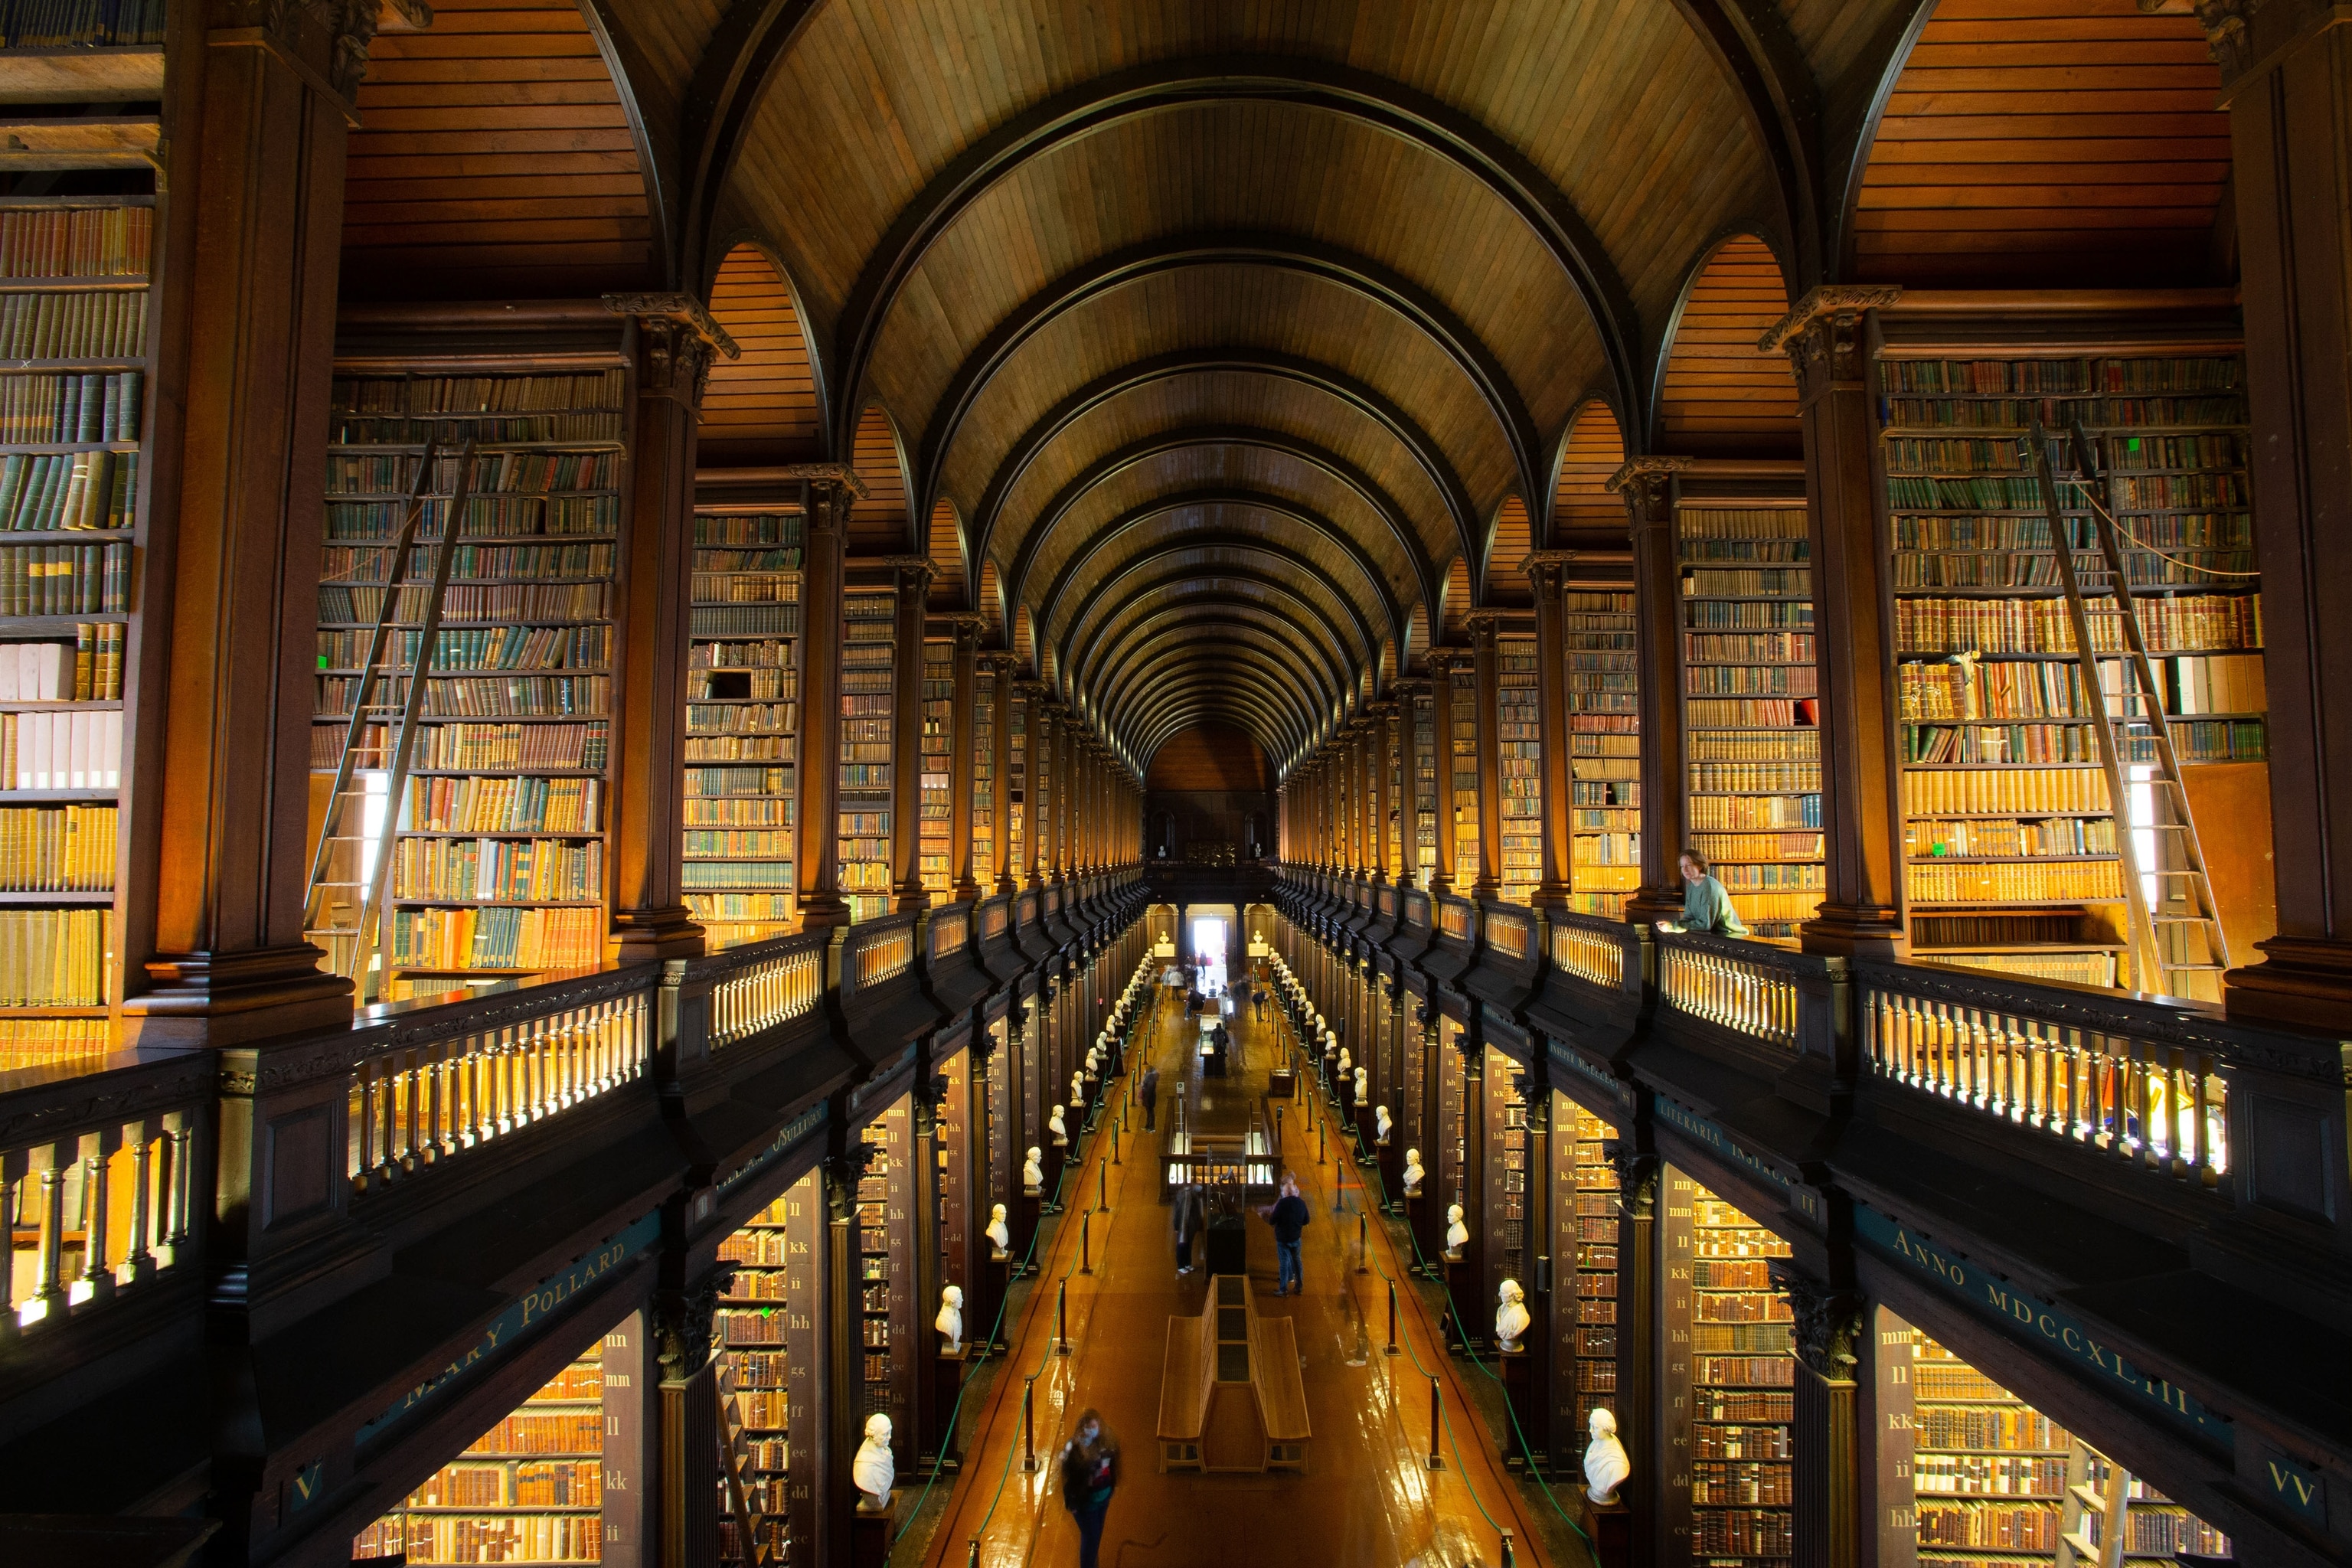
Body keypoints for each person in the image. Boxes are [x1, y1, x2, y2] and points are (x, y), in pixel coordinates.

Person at [1058, 1408, 1119, 1568]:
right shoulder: (1074, 1448)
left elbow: (1113, 1465)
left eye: (1094, 1426)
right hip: (1085, 1503)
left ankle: (1093, 1563)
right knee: (1090, 1537)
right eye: (1087, 1427)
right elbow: (1067, 1476)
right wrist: (1072, 1503)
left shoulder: (1107, 1443)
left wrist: (1112, 1486)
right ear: (1081, 1429)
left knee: (1096, 1536)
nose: (1091, 1430)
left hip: (1103, 1498)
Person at [1655, 848, 1749, 939]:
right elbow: (1689, 917)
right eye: (1682, 866)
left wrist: (1673, 927)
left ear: (1699, 865)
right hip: (1712, 935)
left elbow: (1705, 924)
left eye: (1689, 865)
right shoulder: (1691, 886)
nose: (1685, 870)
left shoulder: (1709, 886)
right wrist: (1671, 925)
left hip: (1729, 936)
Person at [1257, 1171, 1311, 1295]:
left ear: (1286, 1193)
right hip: (1296, 1238)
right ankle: (1299, 1287)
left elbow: (1272, 1220)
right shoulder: (1301, 1203)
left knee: (1284, 1262)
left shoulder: (1282, 1204)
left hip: (1283, 1239)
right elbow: (1307, 1220)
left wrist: (1263, 1215)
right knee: (1297, 1262)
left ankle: (1283, 1289)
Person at [1172, 1181, 1206, 1275]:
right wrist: (1176, 1226)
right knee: (1182, 1245)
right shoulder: (1187, 1195)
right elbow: (1179, 1212)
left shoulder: (1191, 1195)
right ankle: (1181, 1265)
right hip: (1184, 1225)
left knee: (1187, 1244)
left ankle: (1187, 1263)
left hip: (1189, 1225)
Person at [1140, 1063, 1160, 1131]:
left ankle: (1152, 1127)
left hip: (1149, 1098)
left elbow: (1149, 1089)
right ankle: (1148, 1125)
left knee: (1151, 1112)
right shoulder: (1150, 1078)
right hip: (1149, 1098)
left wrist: (1146, 1098)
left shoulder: (1150, 1079)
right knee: (1149, 1112)